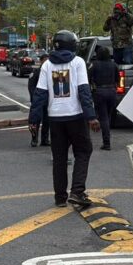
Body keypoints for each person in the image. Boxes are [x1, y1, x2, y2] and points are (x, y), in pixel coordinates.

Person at [29, 30, 100, 209]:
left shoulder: (46, 65)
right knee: (83, 151)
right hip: (75, 115)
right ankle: (77, 191)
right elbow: (84, 91)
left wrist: (34, 120)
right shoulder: (78, 62)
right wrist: (91, 116)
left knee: (59, 158)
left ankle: (60, 197)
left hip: (55, 118)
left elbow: (40, 95)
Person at [90, 46, 119, 151]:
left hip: (99, 91)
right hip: (111, 91)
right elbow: (117, 78)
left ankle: (106, 142)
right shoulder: (114, 64)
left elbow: (89, 78)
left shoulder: (95, 65)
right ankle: (107, 136)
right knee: (108, 115)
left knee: (103, 117)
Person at [28, 53, 51, 147]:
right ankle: (34, 139)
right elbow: (31, 87)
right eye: (45, 60)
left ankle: (45, 139)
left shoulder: (50, 71)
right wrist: (35, 99)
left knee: (47, 121)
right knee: (35, 121)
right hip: (38, 101)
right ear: (41, 61)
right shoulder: (36, 72)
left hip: (48, 101)